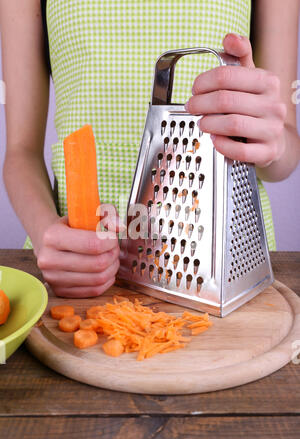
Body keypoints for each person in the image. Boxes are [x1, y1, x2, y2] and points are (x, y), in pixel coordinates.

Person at [0, 0, 299, 298]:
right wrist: (44, 233)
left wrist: (271, 142)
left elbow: (284, 151)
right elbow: (21, 151)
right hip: (78, 271)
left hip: (222, 263)